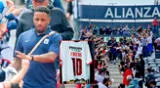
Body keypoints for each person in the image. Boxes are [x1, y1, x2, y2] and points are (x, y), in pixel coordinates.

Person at [15, 6, 62, 88]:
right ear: (33, 19)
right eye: (37, 19)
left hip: (48, 85)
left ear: (49, 21)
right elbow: (17, 61)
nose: (39, 23)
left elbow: (51, 57)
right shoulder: (23, 36)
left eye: (43, 20)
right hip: (26, 85)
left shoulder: (55, 37)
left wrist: (31, 58)